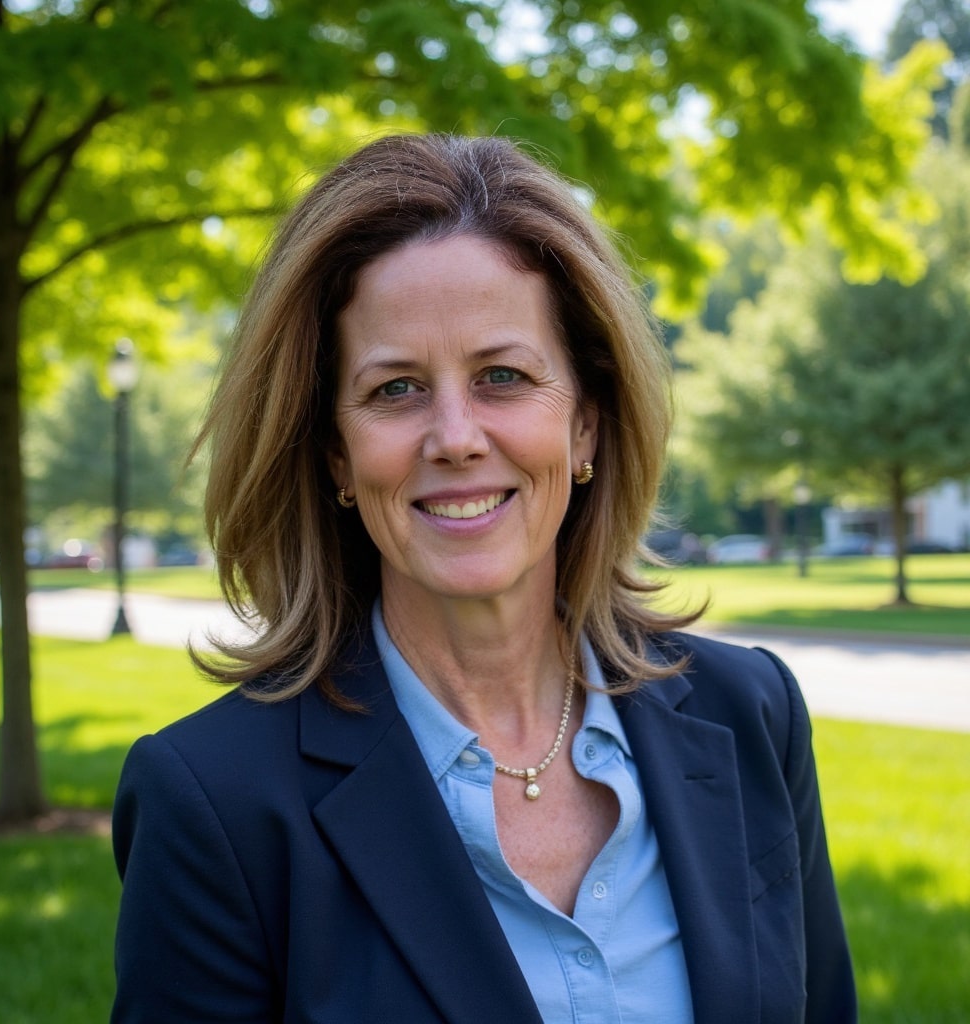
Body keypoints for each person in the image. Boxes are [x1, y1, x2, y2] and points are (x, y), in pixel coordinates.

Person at [111, 133, 856, 1023]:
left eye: (503, 376)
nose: (456, 436)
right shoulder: (214, 803)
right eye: (395, 390)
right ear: (336, 458)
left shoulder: (750, 715)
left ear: (586, 426)